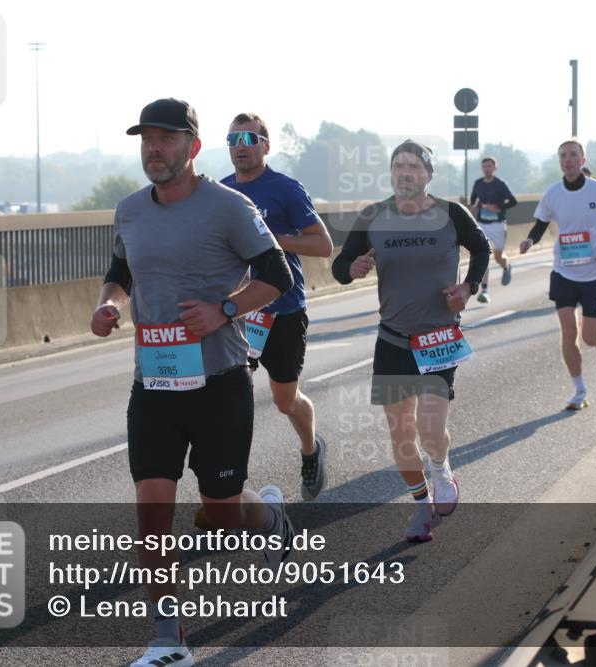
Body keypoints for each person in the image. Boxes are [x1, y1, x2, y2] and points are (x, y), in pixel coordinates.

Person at [90, 98, 297, 667]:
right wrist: (108, 305)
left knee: (223, 512)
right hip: (152, 385)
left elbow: (276, 275)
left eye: (166, 139)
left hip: (219, 382)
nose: (154, 149)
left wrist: (223, 310)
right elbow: (120, 272)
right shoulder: (129, 210)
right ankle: (168, 640)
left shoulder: (228, 206)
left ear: (193, 147)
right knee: (152, 514)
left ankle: (271, 515)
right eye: (146, 140)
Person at [331, 140, 490, 542]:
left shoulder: (451, 214)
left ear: (428, 174)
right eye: (398, 165)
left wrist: (469, 286)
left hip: (438, 338)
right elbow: (338, 267)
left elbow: (482, 246)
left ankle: (440, 465)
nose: (405, 172)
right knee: (401, 436)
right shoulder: (374, 216)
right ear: (391, 173)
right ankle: (421, 505)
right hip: (393, 341)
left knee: (430, 429)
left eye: (413, 166)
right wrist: (353, 266)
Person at [221, 112, 333, 501]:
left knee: (285, 400)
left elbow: (322, 245)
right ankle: (229, 489)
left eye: (249, 140)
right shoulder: (221, 194)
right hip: (239, 313)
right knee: (230, 399)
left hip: (283, 310)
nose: (240, 147)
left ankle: (310, 449)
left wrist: (272, 240)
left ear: (266, 146)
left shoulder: (285, 189)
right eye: (233, 140)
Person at [519, 139, 596, 410]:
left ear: (583, 160)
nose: (568, 160)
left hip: (595, 274)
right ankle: (579, 391)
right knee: (568, 332)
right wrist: (530, 241)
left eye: (573, 155)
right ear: (560, 162)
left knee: (589, 336)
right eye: (563, 156)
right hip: (564, 272)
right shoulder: (553, 193)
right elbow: (541, 223)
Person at [469, 156, 518, 302]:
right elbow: (473, 199)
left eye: (490, 166)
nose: (487, 169)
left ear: (495, 167)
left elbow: (513, 201)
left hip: (498, 224)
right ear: (482, 168)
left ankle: (506, 266)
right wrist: (475, 206)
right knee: (484, 256)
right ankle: (484, 291)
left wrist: (498, 207)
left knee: (498, 257)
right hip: (483, 224)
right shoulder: (478, 183)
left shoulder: (500, 184)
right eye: (484, 166)